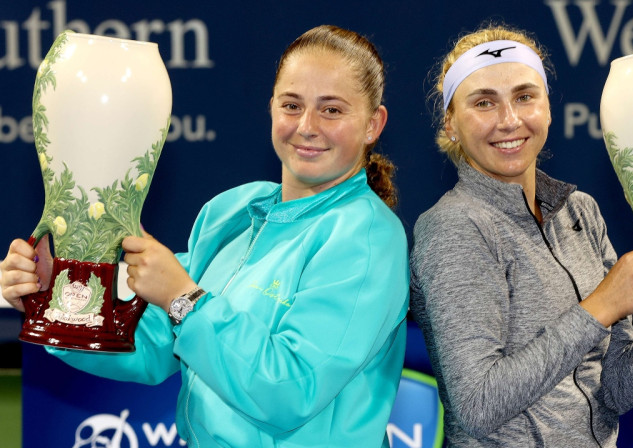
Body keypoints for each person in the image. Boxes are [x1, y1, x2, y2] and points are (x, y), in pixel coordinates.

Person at [1, 25, 409, 447]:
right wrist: (58, 298)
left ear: (373, 124)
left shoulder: (367, 238)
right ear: (271, 108)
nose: (307, 126)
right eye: (292, 105)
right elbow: (153, 346)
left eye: (332, 110)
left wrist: (184, 300)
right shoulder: (231, 212)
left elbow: (290, 391)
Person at [409, 23, 633, 447]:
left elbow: (614, 387)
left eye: (525, 97)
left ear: (547, 107)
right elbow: (478, 405)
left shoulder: (579, 211)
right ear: (451, 124)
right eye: (484, 102)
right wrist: (600, 307)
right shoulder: (453, 226)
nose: (509, 120)